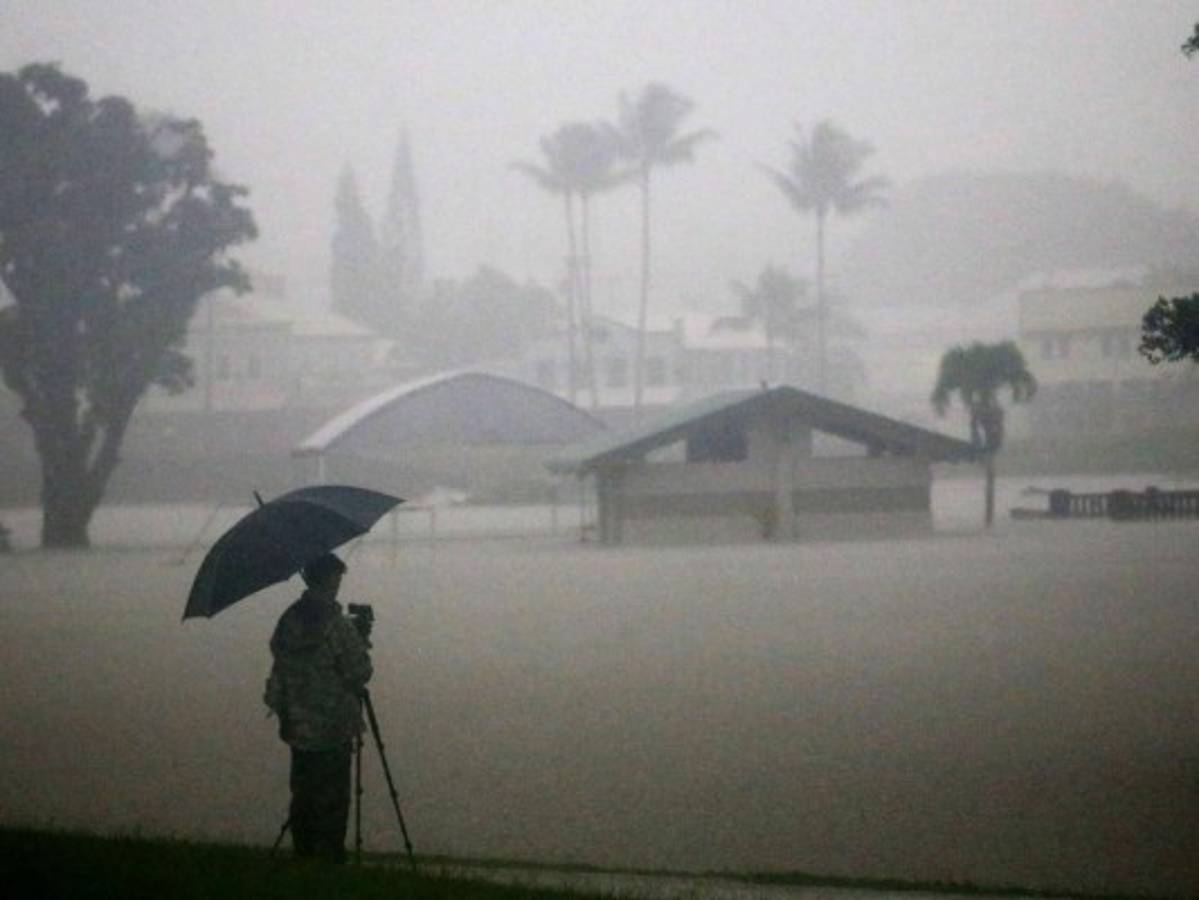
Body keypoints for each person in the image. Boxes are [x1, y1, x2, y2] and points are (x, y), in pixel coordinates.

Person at [264, 552, 372, 863]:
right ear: (326, 579)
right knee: (334, 796)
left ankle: (304, 853)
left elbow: (281, 658)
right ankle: (331, 858)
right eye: (337, 578)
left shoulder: (289, 619)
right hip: (332, 724)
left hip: (297, 724)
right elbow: (359, 672)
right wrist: (360, 638)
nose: (339, 585)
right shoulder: (335, 624)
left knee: (304, 792)